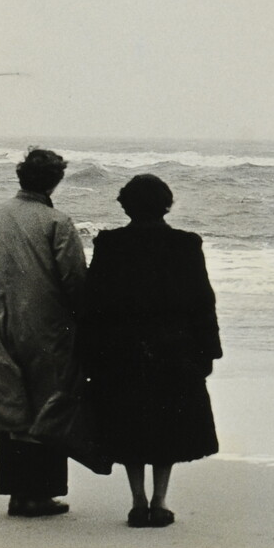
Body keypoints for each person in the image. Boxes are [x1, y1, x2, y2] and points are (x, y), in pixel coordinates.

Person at [80, 173, 222, 528]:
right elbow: (203, 301)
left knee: (129, 423)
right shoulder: (187, 244)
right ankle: (159, 502)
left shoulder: (110, 244)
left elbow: (93, 302)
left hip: (121, 348)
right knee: (167, 423)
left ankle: (137, 501)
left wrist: (87, 350)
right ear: (166, 204)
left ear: (126, 205)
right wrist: (209, 351)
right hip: (174, 346)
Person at [0, 147, 104, 517]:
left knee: (11, 404)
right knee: (48, 405)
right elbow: (74, 281)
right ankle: (40, 493)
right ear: (55, 181)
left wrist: (4, 301)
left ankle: (16, 493)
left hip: (1, 320)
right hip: (49, 327)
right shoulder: (57, 222)